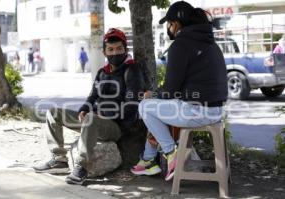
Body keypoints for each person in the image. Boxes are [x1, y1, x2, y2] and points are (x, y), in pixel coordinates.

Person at [33, 28, 146, 185]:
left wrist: (103, 114)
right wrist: (84, 109)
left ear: (125, 49)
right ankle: (59, 159)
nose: (115, 53)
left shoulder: (132, 70)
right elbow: (92, 96)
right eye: (111, 49)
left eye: (119, 49)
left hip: (115, 127)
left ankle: (82, 167)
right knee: (54, 112)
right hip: (93, 122)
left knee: (92, 118)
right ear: (105, 52)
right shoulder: (102, 72)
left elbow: (132, 105)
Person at [131, 1, 228, 181]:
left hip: (196, 111)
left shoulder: (181, 44)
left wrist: (155, 96)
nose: (169, 28)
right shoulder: (210, 42)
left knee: (145, 107)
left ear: (176, 23)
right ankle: (148, 159)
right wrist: (160, 97)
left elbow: (170, 90)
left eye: (169, 23)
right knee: (158, 109)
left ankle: (171, 154)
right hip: (216, 111)